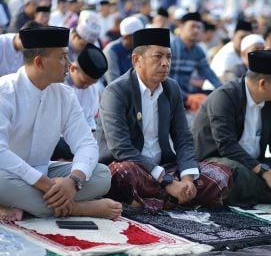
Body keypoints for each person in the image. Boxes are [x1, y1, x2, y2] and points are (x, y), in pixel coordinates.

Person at [95, 28, 232, 212]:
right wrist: (167, 182)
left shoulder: (171, 88)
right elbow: (121, 148)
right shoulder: (116, 92)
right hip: (131, 165)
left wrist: (186, 179)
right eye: (157, 56)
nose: (165, 63)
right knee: (123, 174)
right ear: (137, 60)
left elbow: (183, 137)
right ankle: (174, 198)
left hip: (164, 167)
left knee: (221, 173)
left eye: (168, 57)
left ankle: (159, 199)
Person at [0, 26, 122, 221]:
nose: (69, 64)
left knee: (102, 175)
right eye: (62, 57)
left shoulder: (65, 95)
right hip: (7, 174)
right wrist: (45, 184)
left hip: (44, 172)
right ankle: (78, 209)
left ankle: (27, 205)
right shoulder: (4, 91)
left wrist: (73, 181)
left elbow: (86, 143)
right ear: (39, 62)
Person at [192, 49, 271, 205]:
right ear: (263, 83)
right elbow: (227, 146)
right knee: (236, 174)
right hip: (219, 162)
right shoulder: (224, 97)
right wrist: (266, 173)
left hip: (255, 163)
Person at [52, 43, 108, 160]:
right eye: (84, 81)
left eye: (91, 83)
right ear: (73, 68)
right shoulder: (56, 84)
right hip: (58, 137)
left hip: (81, 136)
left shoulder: (92, 89)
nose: (87, 86)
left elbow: (89, 119)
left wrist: (92, 134)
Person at [169, 12, 221, 112]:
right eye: (192, 26)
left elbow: (209, 74)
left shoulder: (198, 51)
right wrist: (187, 97)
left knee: (215, 98)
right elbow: (164, 81)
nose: (196, 30)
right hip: (170, 96)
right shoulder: (171, 48)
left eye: (198, 27)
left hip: (188, 95)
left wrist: (223, 91)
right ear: (181, 26)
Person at [103, 15, 144, 84]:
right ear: (126, 37)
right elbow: (113, 83)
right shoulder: (111, 51)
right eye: (138, 36)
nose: (141, 39)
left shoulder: (139, 48)